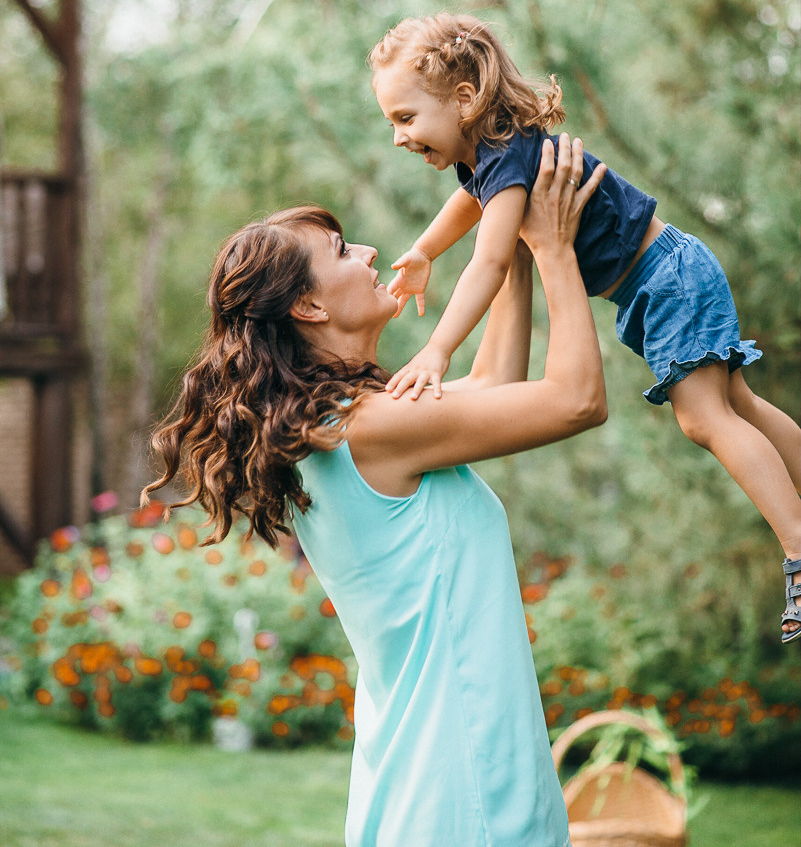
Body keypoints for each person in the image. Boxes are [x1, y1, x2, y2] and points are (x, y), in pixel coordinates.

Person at [144, 135, 607, 847]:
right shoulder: (366, 429)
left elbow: (492, 385)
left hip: (432, 782)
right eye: (338, 251)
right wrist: (552, 248)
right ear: (307, 307)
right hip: (463, 788)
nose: (365, 253)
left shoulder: (338, 427)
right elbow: (575, 400)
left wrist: (509, 233)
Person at [369, 11, 801, 644]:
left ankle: (797, 551)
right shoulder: (490, 154)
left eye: (406, 118)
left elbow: (492, 260)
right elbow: (469, 202)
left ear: (464, 100)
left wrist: (438, 349)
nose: (399, 138)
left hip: (665, 277)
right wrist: (426, 250)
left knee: (704, 416)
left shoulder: (508, 155)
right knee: (737, 404)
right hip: (664, 276)